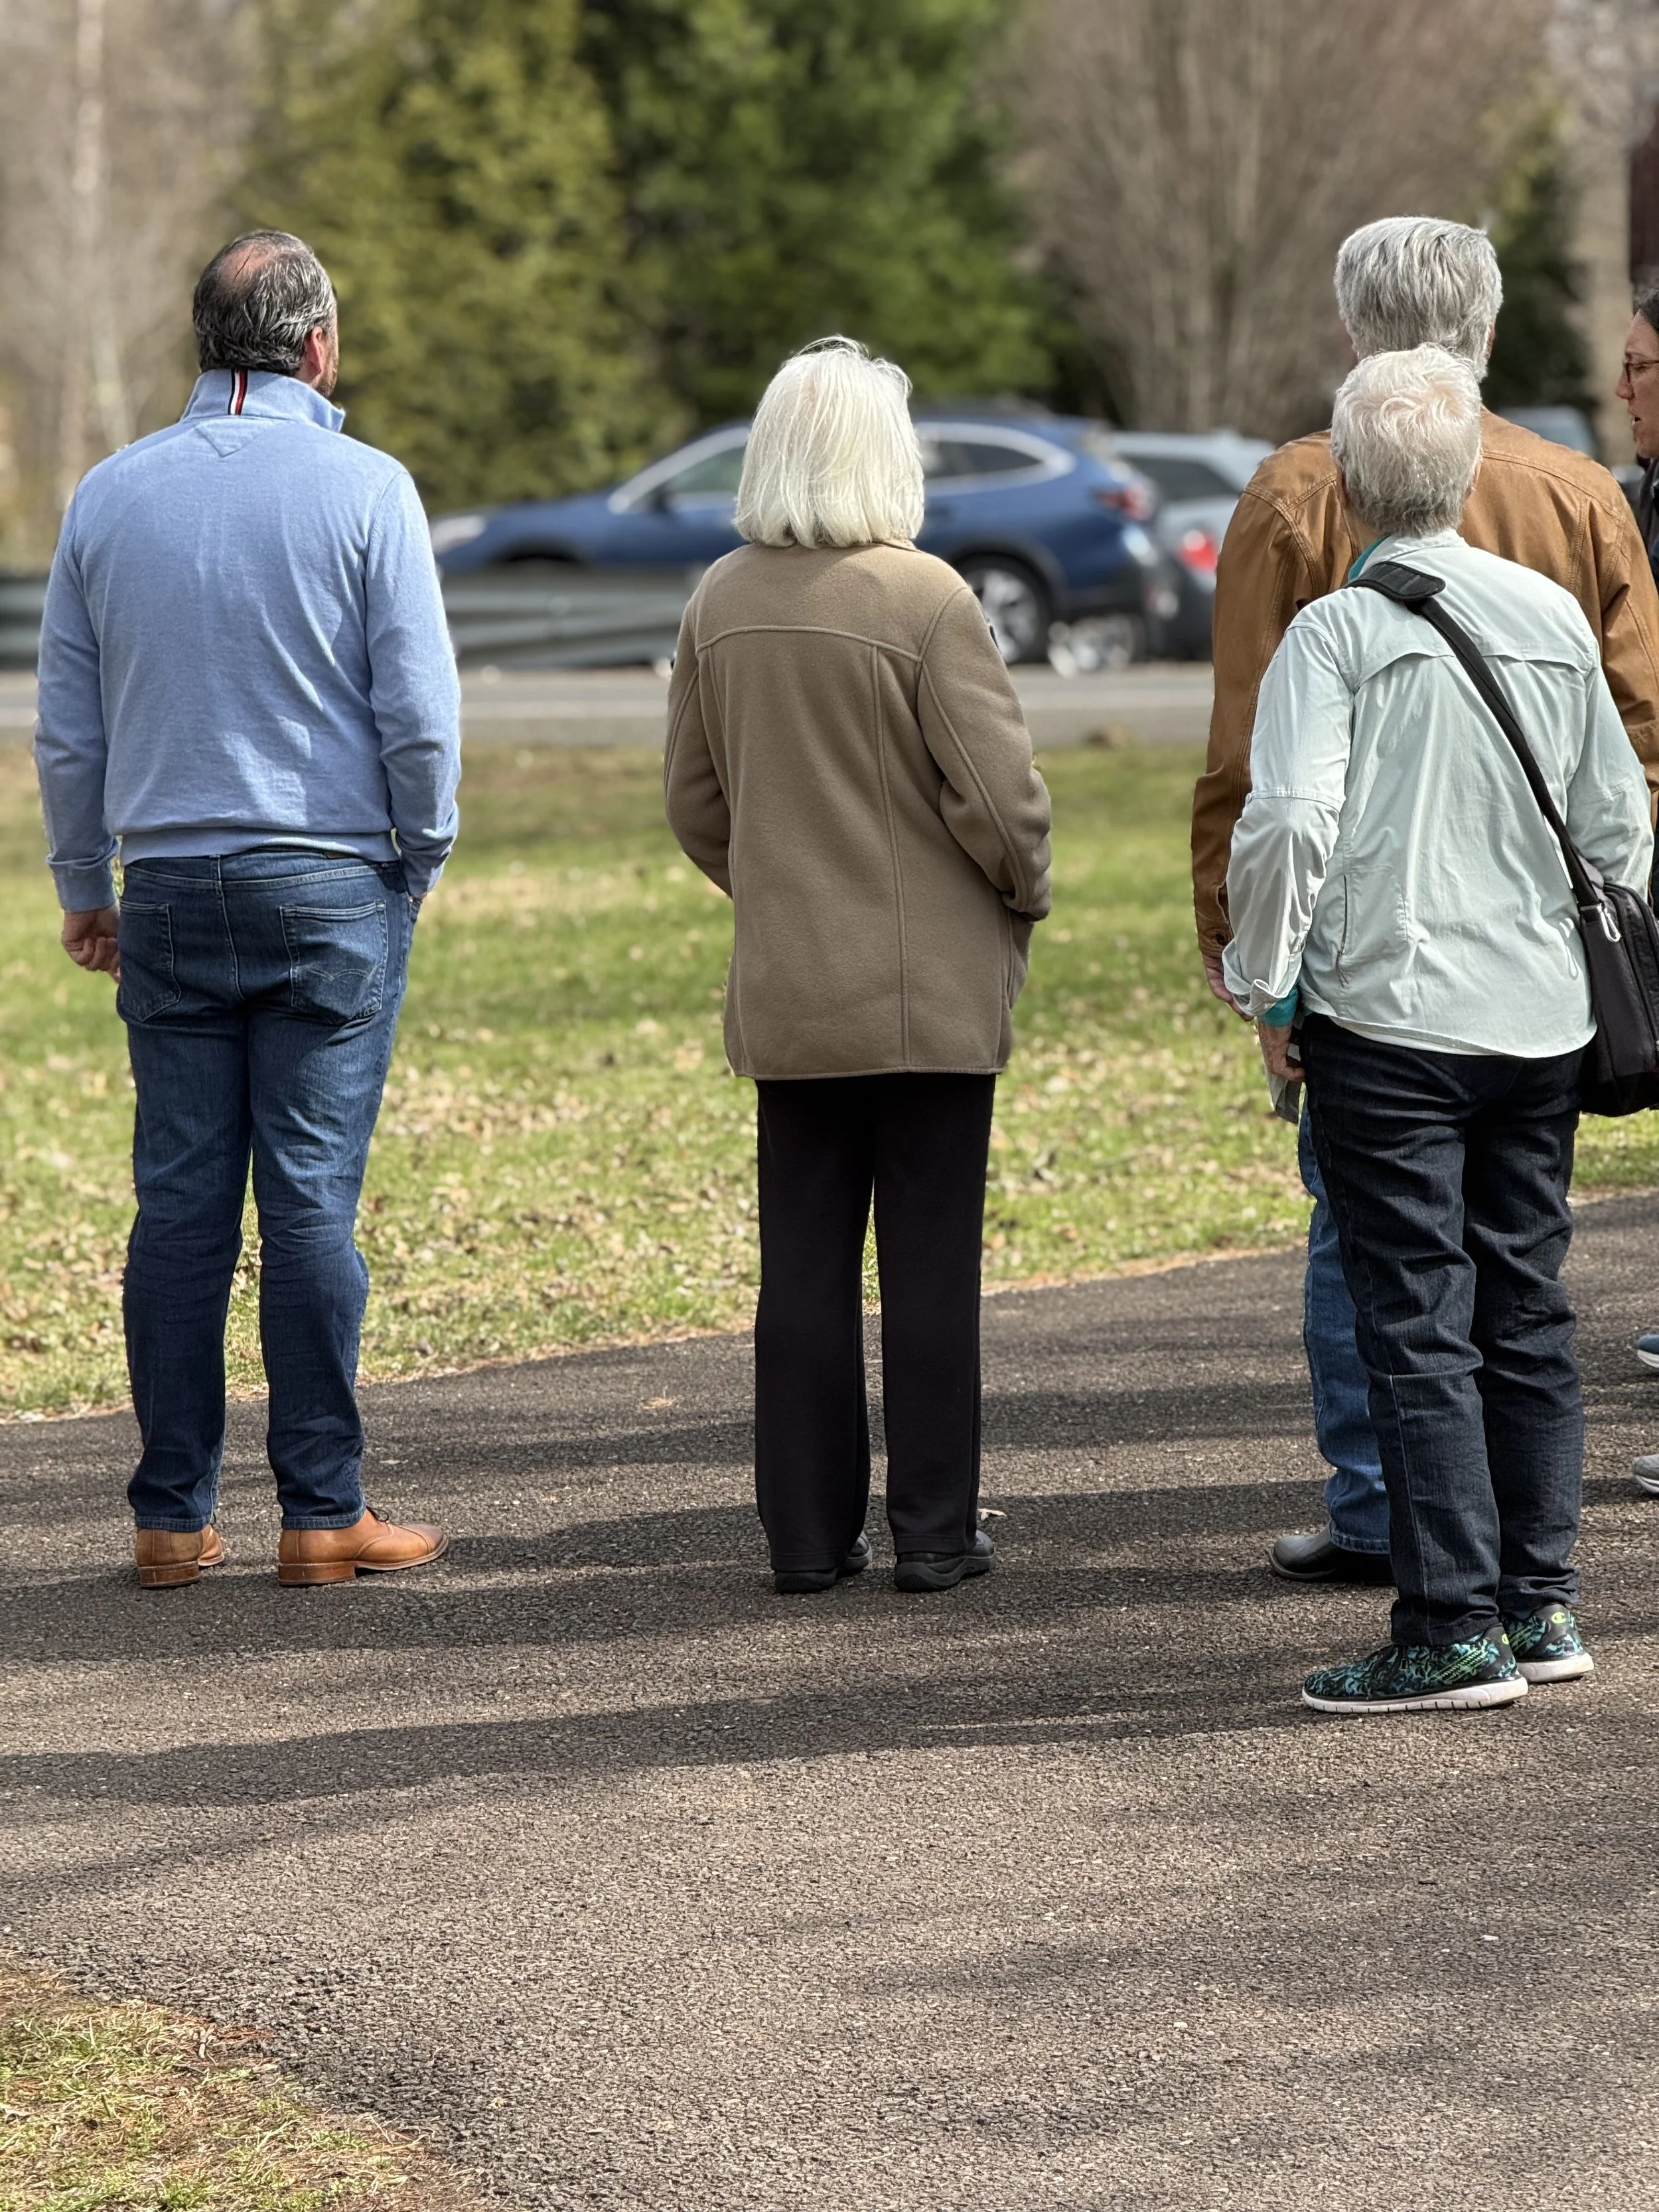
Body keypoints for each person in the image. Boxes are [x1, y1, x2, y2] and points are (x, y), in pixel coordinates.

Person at [1192, 216, 1659, 1585]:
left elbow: (1250, 762)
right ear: (1487, 330)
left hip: (1364, 953)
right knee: (1519, 1278)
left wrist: (1246, 964)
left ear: (1349, 332)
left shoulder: (1296, 493)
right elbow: (1632, 744)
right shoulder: (1580, 494)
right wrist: (1606, 929)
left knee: (1369, 1244)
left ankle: (1384, 1517)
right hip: (1535, 951)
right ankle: (1531, 1581)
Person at [34, 231, 461, 1589]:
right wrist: (422, 852)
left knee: (178, 1207)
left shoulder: (107, 496)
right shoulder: (367, 487)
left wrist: (77, 883)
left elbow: (66, 730)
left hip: (165, 883)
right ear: (318, 346)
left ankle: (170, 1514)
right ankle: (321, 1508)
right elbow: (419, 713)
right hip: (330, 877)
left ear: (202, 344)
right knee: (310, 1204)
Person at [664, 337, 1051, 1597]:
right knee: (932, 1272)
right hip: (928, 988)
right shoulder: (927, 598)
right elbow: (1000, 799)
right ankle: (936, 1530)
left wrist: (776, 887)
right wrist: (1020, 894)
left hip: (791, 980)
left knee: (805, 1274)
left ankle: (806, 1539)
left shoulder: (719, 600)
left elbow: (694, 803)